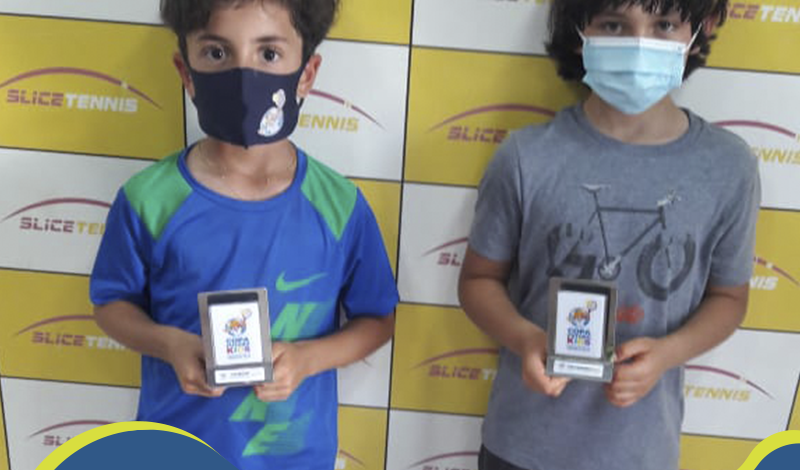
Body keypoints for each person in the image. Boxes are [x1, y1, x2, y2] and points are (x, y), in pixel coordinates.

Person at [89, 1, 398, 469]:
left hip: (295, 459)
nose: (243, 76)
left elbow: (377, 318)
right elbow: (111, 304)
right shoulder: (147, 200)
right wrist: (170, 344)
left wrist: (308, 358)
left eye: (269, 54)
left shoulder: (340, 206)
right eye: (217, 53)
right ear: (186, 72)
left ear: (307, 74)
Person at [458, 1, 759, 469]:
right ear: (579, 30)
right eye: (614, 25)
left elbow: (730, 297)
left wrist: (668, 354)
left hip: (641, 451)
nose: (639, 44)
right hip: (521, 446)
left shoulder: (729, 168)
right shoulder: (525, 157)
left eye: (664, 25)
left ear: (700, 29)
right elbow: (479, 280)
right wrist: (526, 339)